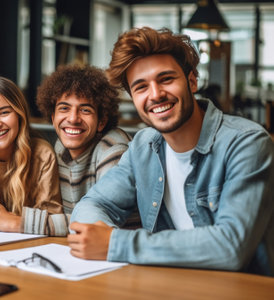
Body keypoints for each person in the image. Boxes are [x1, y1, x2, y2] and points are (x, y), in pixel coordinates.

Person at [68, 27, 274, 276]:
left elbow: (231, 247)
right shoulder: (143, 146)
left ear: (192, 80)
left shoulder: (247, 143)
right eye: (141, 87)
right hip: (168, 285)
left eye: (166, 79)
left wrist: (114, 243)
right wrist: (99, 238)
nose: (155, 95)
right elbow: (92, 204)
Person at [0, 76, 67, 236]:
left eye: (4, 112)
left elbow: (52, 221)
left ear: (19, 114)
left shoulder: (42, 155)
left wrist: (5, 219)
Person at [36, 64, 134, 219]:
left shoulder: (113, 149)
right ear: (53, 118)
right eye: (64, 108)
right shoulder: (60, 147)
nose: (73, 118)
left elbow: (98, 223)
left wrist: (15, 222)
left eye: (85, 110)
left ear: (101, 121)